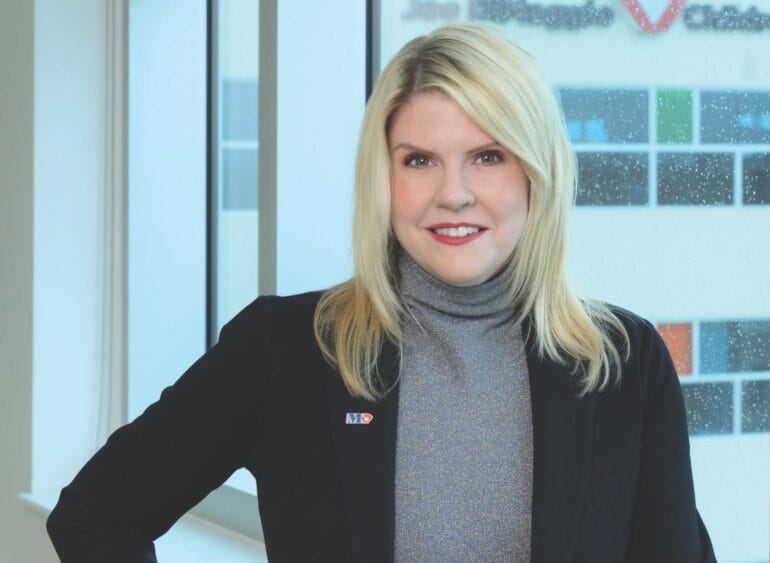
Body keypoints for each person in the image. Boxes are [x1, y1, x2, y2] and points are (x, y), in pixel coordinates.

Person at [47, 23, 715, 562]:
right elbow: (96, 516)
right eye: (418, 160)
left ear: (536, 171)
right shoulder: (283, 349)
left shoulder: (624, 362)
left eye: (488, 155)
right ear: (383, 176)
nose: (453, 192)